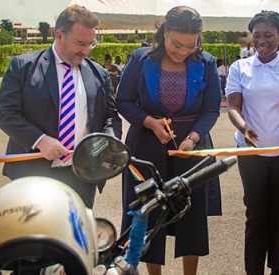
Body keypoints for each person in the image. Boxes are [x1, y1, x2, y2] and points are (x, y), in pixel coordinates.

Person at [116, 6, 221, 275]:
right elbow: (123, 101)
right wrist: (150, 122)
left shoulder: (206, 63)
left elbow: (211, 109)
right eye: (176, 44)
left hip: (192, 145)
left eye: (190, 45)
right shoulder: (140, 59)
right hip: (147, 145)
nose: (183, 51)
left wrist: (194, 138)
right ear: (163, 32)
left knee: (192, 213)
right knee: (149, 213)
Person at [0, 4, 122, 209]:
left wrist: (109, 141)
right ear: (59, 35)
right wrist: (40, 140)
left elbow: (110, 116)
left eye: (91, 44)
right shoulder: (23, 67)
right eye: (80, 43)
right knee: (36, 236)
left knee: (76, 235)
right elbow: (5, 114)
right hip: (33, 174)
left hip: (83, 175)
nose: (86, 51)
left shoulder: (99, 73)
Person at [225, 10, 279, 275]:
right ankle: (253, 270)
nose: (262, 40)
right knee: (255, 214)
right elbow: (233, 108)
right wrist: (244, 128)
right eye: (257, 35)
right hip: (250, 152)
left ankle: (276, 269)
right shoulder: (239, 67)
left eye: (268, 35)